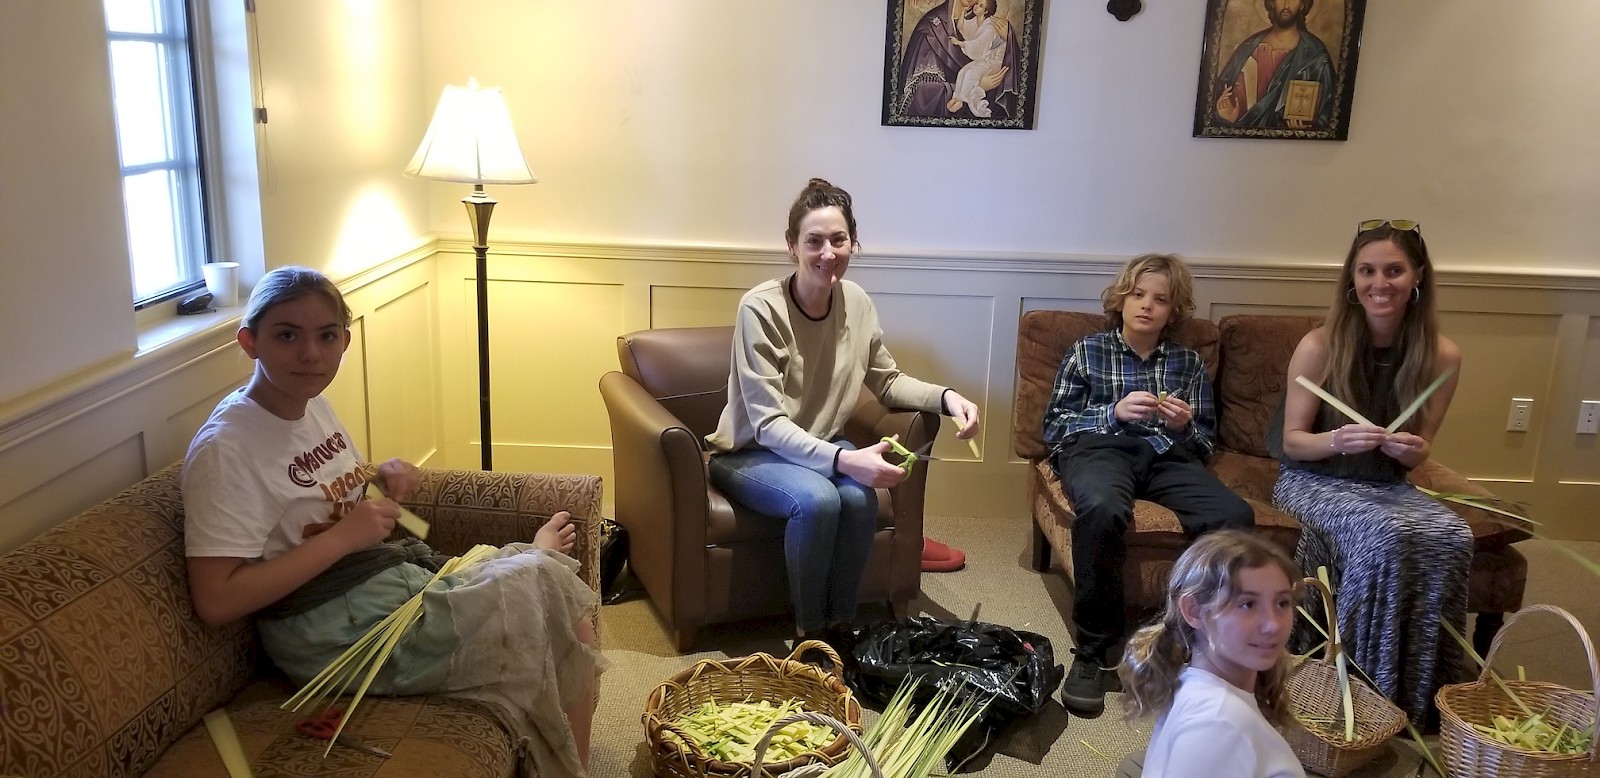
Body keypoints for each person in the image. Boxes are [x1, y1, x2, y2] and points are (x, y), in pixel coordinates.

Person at [182, 267, 602, 777]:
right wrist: (343, 538)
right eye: (287, 335)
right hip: (330, 631)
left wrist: (377, 473)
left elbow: (308, 493)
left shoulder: (310, 404)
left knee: (554, 598)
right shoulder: (226, 449)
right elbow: (217, 600)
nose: (310, 353)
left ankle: (528, 566)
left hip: (381, 587)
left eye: (326, 336)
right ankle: (530, 564)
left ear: (345, 341)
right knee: (552, 595)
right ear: (250, 342)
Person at [705, 178, 981, 640]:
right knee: (818, 500)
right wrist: (845, 459)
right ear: (792, 245)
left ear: (854, 242)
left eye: (839, 240)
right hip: (750, 453)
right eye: (814, 241)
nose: (828, 253)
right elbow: (768, 424)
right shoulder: (760, 309)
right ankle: (810, 636)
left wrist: (948, 398)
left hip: (819, 445)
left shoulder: (857, 301)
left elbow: (887, 380)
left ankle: (842, 627)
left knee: (857, 498)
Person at [1268, 219, 1469, 725]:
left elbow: (1420, 454)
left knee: (1453, 535)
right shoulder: (1319, 346)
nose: (1380, 283)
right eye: (1367, 271)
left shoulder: (1443, 356)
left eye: (1394, 271)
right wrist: (1335, 440)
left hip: (1386, 485)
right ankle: (1361, 689)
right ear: (1352, 280)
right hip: (1313, 481)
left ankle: (1424, 692)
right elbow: (1292, 442)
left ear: (1418, 276)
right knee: (1385, 536)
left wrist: (1411, 449)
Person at [1042, 253, 1255, 716]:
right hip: (1098, 448)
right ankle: (1094, 651)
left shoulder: (1187, 363)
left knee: (1234, 517)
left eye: (1160, 299)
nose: (1146, 306)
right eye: (1138, 295)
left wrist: (1183, 426)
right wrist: (1112, 413)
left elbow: (1204, 441)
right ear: (1120, 300)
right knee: (1102, 508)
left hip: (1165, 455)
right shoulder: (1087, 351)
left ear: (1173, 311)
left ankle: (1197, 641)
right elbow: (1054, 427)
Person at [1119, 529, 1307, 778]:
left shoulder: (1191, 680)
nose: (1273, 624)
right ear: (1194, 611)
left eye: (1282, 603)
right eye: (1247, 604)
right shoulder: (1220, 723)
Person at [1213, 0, 1336, 130]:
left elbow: (1329, 109)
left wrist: (1306, 130)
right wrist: (1225, 117)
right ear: (1271, 2)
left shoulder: (1315, 53)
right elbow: (1219, 95)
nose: (1286, 5)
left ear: (1302, 5)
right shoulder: (1248, 47)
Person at [895, 0, 1020, 120]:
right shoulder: (932, 28)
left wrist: (1009, 40)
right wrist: (978, 87)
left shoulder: (983, 25)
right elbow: (922, 91)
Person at [948, 0, 1007, 117]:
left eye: (980, 6)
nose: (976, 7)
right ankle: (956, 97)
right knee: (963, 71)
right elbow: (961, 27)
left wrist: (960, 43)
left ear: (986, 11)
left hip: (994, 61)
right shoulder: (976, 21)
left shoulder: (989, 27)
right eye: (977, 3)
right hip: (984, 58)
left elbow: (979, 45)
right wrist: (963, 12)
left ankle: (962, 101)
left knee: (970, 73)